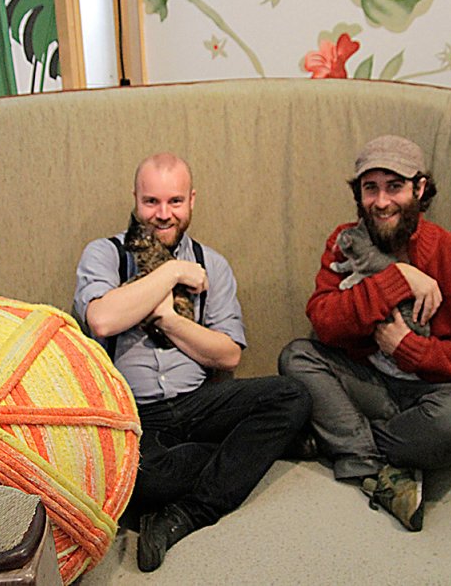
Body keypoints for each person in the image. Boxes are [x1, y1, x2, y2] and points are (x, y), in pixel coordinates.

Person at [74, 152, 312, 572]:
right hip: (134, 413)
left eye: (175, 202)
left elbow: (228, 353)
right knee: (144, 478)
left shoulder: (212, 265)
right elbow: (103, 318)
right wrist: (170, 275)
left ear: (192, 200)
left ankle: (183, 516)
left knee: (290, 396)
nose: (163, 214)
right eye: (151, 202)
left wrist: (164, 316)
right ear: (134, 199)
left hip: (199, 401)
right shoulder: (106, 254)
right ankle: (243, 454)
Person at [279, 135, 451, 532]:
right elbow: (325, 323)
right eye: (371, 188)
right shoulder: (344, 241)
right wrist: (396, 278)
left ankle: (343, 444)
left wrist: (411, 350)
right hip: (367, 382)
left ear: (420, 189)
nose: (382, 202)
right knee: (296, 356)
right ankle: (378, 463)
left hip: (436, 394)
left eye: (395, 186)